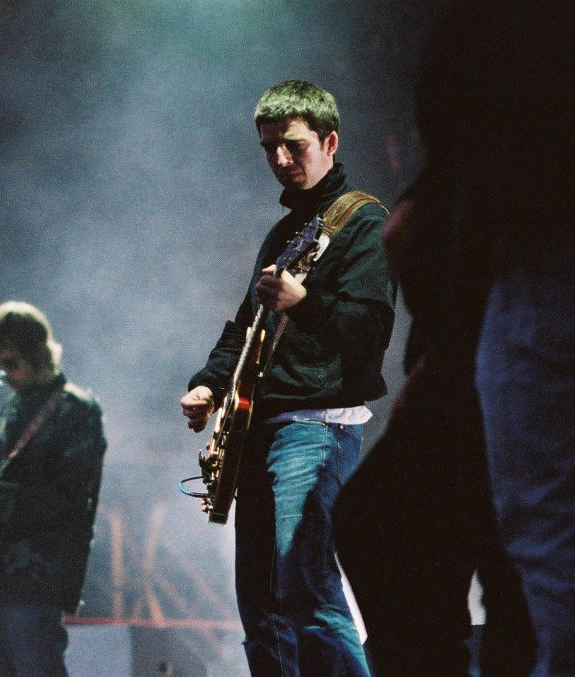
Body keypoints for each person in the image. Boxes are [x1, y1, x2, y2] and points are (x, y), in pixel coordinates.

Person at [331, 5, 538, 675]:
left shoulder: (509, 74)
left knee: (510, 554)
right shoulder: (451, 160)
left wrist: (444, 354)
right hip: (461, 357)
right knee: (397, 523)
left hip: (485, 352)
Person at [179, 80, 396, 676]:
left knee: (308, 589)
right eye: (269, 148)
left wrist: (303, 301)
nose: (280, 160)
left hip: (317, 427)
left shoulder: (362, 220)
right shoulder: (284, 233)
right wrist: (209, 384)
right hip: (260, 430)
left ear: (329, 141)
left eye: (293, 146)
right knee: (262, 606)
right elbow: (245, 328)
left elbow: (371, 330)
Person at [0, 301, 107, 677]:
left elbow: (73, 501)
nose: (4, 375)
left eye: (11, 364)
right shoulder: (11, 408)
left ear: (38, 353)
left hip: (36, 578)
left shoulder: (77, 410)